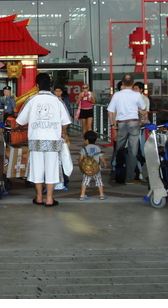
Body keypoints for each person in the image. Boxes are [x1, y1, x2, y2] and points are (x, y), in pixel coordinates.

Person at [15, 72, 71, 207]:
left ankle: (39, 197)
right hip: (53, 140)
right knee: (52, 169)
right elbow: (66, 120)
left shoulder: (32, 100)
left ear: (37, 85)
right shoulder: (57, 101)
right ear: (50, 86)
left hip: (36, 140)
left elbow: (20, 121)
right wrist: (62, 132)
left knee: (36, 168)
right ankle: (50, 199)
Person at [107, 74, 146, 185]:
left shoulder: (117, 95)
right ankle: (129, 178)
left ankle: (115, 174)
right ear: (133, 83)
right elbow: (143, 107)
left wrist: (112, 125)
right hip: (133, 122)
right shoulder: (137, 95)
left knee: (118, 149)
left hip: (121, 124)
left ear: (122, 83)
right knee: (132, 152)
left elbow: (110, 111)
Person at [78, 130, 107, 201]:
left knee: (85, 181)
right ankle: (101, 195)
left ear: (87, 140)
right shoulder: (97, 148)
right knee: (99, 180)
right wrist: (104, 163)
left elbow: (80, 159)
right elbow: (101, 157)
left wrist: (81, 165)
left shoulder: (84, 149)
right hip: (96, 168)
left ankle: (82, 195)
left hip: (87, 168)